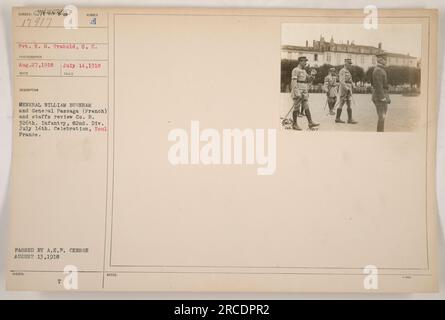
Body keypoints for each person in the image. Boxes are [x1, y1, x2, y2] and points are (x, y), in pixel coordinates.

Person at [290, 56, 319, 130]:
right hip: (298, 89)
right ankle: (295, 124)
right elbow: (294, 82)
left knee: (306, 106)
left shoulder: (304, 71)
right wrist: (297, 93)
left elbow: (309, 79)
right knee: (296, 107)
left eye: (306, 61)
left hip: (304, 89)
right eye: (304, 61)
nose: (306, 63)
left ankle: (310, 122)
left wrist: (312, 75)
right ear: (300, 61)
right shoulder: (295, 70)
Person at [372, 54, 391, 132]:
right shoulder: (378, 70)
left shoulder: (380, 69)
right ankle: (380, 135)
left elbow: (383, 86)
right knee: (381, 117)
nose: (386, 61)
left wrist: (387, 97)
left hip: (381, 96)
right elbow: (378, 86)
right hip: (379, 97)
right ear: (380, 60)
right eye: (384, 59)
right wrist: (383, 97)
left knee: (382, 117)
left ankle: (380, 133)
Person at [336, 58, 358, 124]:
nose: (350, 65)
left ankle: (350, 119)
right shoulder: (342, 71)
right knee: (342, 102)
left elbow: (350, 80)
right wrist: (346, 88)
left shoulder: (348, 71)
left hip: (349, 88)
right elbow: (342, 81)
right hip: (344, 88)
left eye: (350, 64)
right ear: (345, 63)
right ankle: (337, 118)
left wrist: (353, 85)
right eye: (349, 63)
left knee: (349, 102)